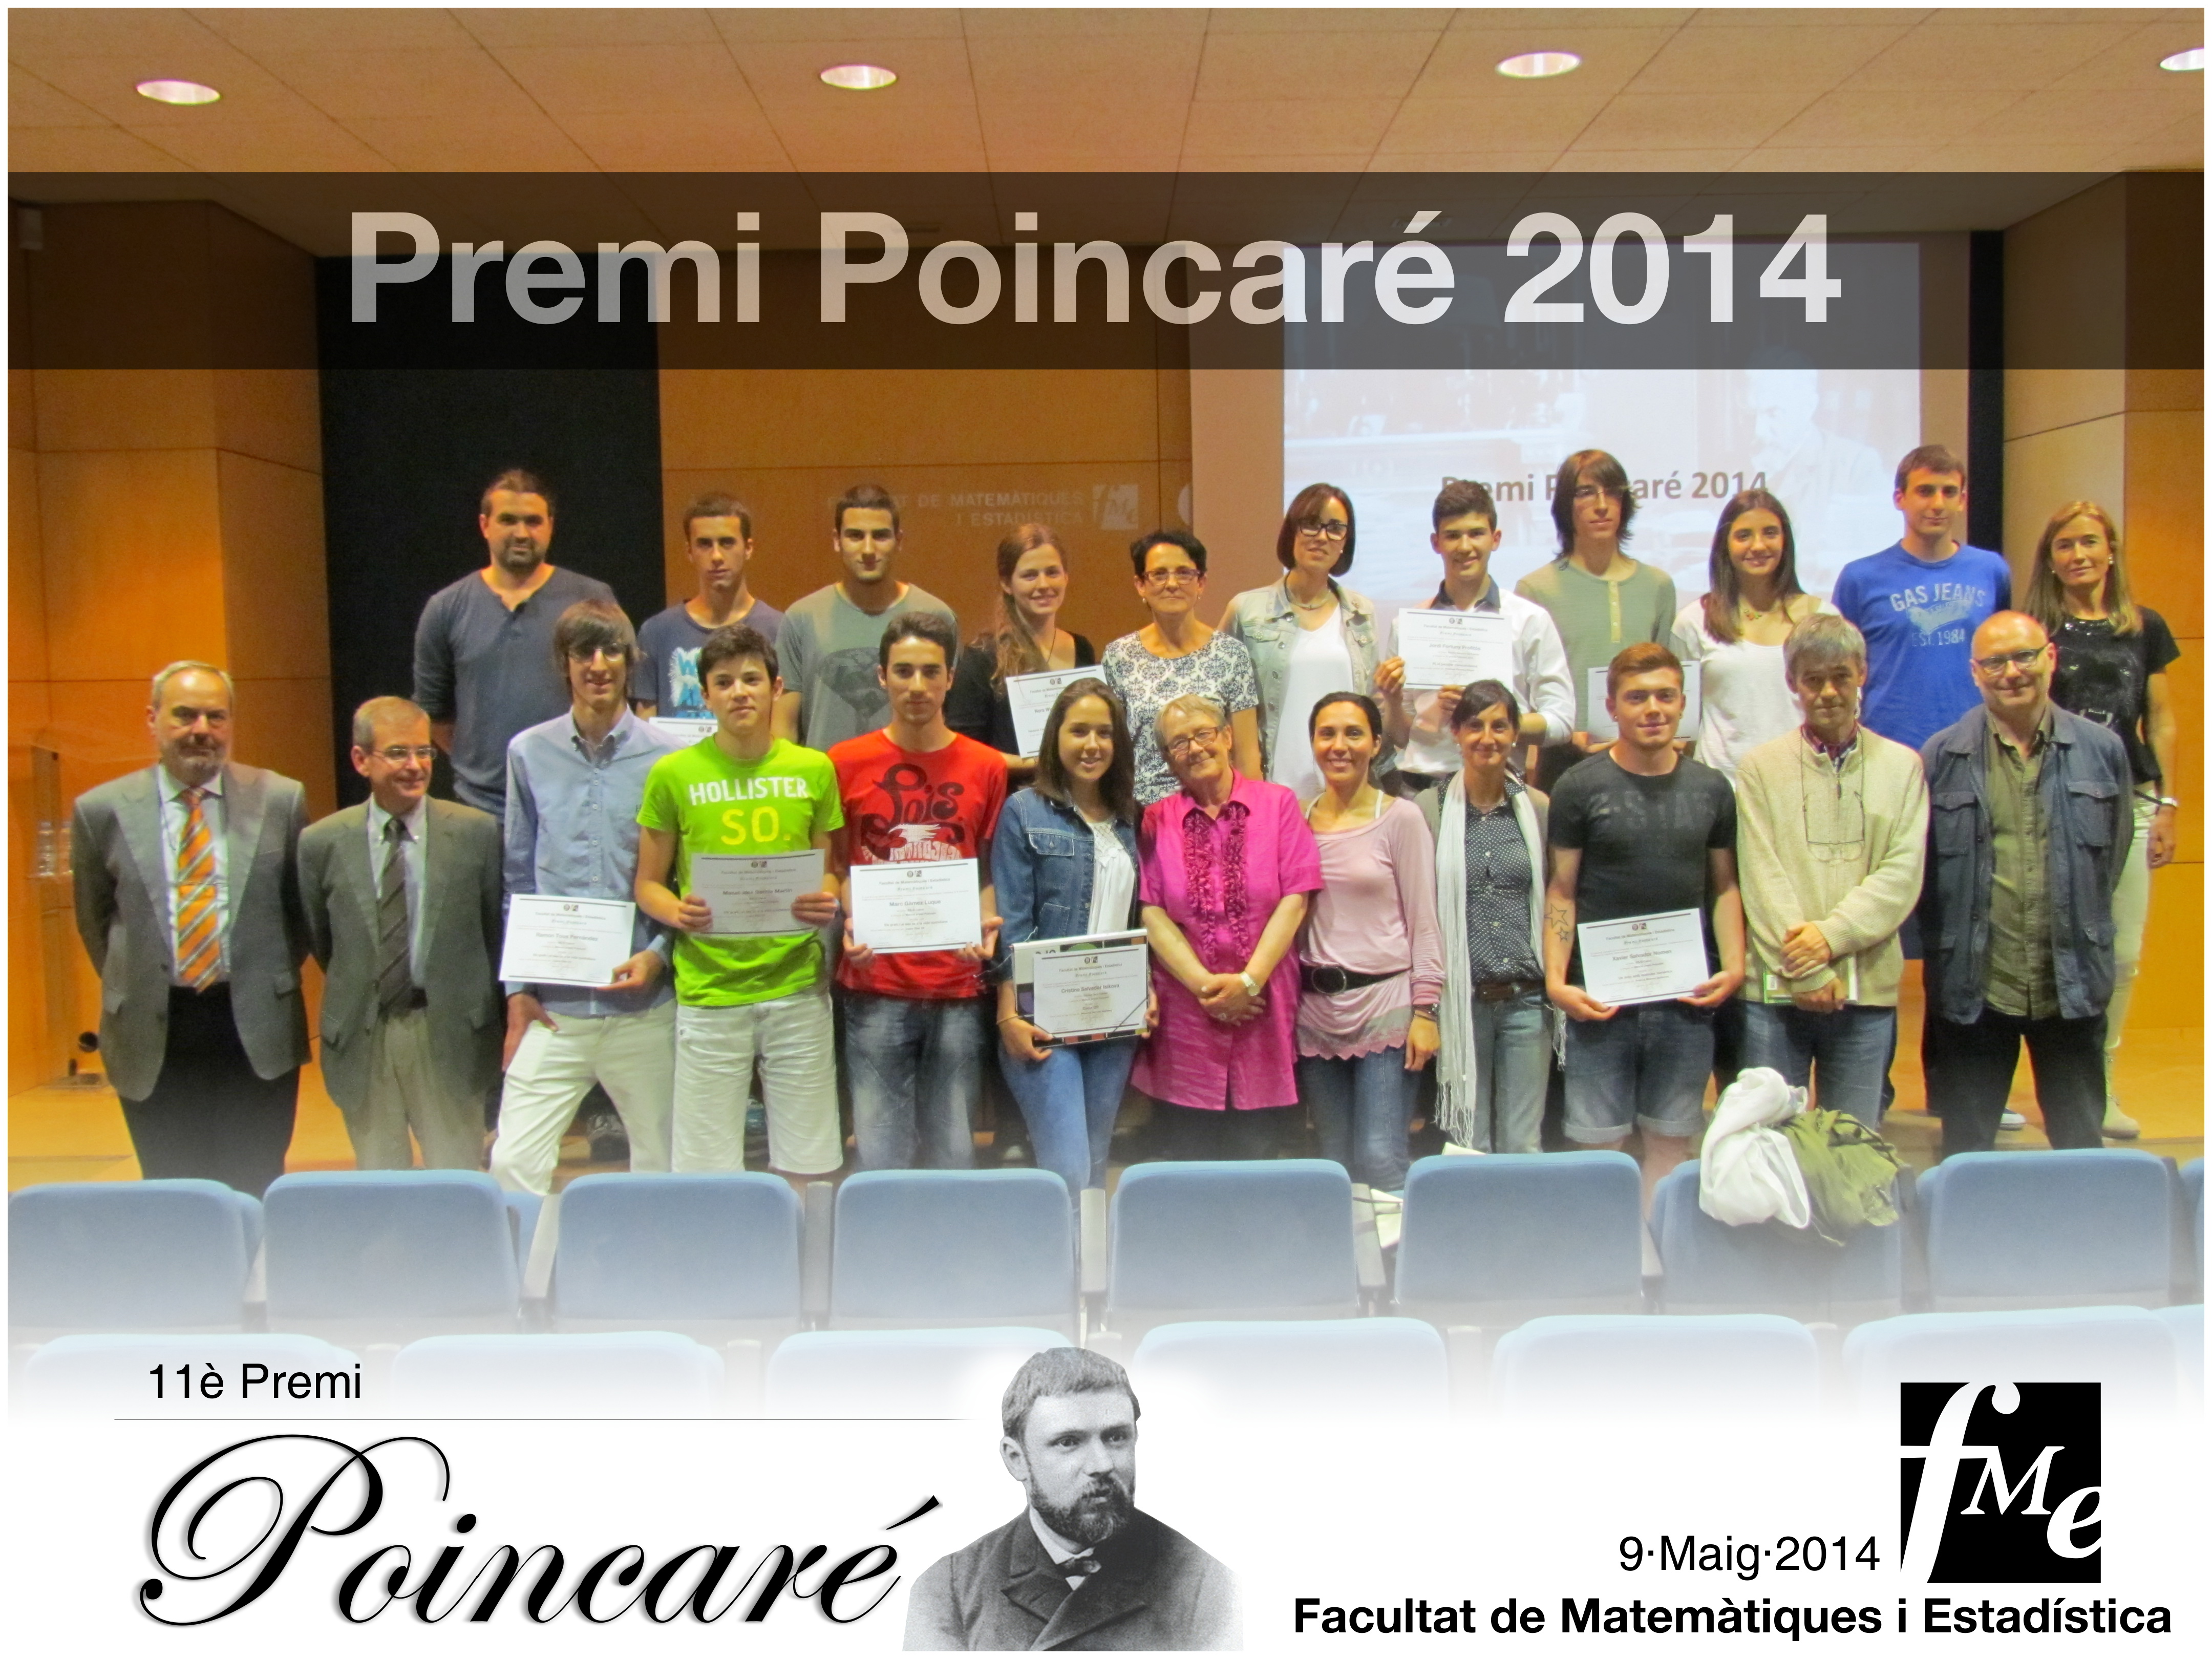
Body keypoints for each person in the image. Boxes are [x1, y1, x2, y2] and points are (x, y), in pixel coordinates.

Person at [69, 661, 311, 1196]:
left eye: (215, 717)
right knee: (172, 1192)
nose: (201, 729)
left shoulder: (281, 799)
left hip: (254, 1023)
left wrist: (260, 973)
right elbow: (95, 920)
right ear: (152, 719)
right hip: (153, 1026)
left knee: (255, 1185)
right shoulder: (100, 810)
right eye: (185, 715)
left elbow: (300, 914)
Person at [635, 624, 846, 1183]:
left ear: (776, 688)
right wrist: (675, 911)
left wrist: (826, 898)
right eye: (724, 683)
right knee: (708, 1175)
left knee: (809, 1165)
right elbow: (648, 885)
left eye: (752, 679)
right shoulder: (673, 774)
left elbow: (830, 871)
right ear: (705, 695)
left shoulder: (813, 768)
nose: (739, 692)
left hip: (797, 988)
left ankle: (803, 1245)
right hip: (710, 992)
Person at [486, 602, 684, 1196]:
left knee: (665, 1168)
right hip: (556, 1008)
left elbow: (685, 880)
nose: (599, 665)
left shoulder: (669, 758)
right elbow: (518, 879)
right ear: (564, 663)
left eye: (612, 651)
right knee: (512, 1164)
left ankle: (648, 1262)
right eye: (583, 653)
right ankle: (537, 1258)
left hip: (644, 1006)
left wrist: (659, 956)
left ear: (630, 661)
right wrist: (518, 991)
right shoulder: (528, 752)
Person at [1919, 612, 2133, 1158]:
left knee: (2081, 1151)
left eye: (2024, 656)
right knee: (1967, 1155)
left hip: (2071, 982)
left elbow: (2110, 859)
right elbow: (1927, 880)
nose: (2011, 672)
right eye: (1995, 662)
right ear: (1975, 673)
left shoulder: (2102, 750)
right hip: (1975, 987)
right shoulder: (1941, 757)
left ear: (2051, 658)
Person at [1544, 645, 1745, 1204]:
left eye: (1664, 696)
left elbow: (1724, 887)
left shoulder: (1712, 789)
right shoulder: (1578, 787)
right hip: (1599, 1001)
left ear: (1683, 703)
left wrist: (1734, 966)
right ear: (1612, 706)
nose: (1653, 709)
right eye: (1637, 698)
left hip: (1686, 1000)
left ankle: (1659, 1244)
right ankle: (1607, 1252)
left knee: (1671, 1141)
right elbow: (1562, 890)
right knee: (1599, 1147)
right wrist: (1557, 982)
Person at [904, 1348, 1238, 1652]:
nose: (1102, 1465)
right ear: (1017, 1460)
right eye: (1068, 1442)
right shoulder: (950, 1590)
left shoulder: (1206, 1585)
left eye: (1116, 1437)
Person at [1732, 615, 1927, 1129]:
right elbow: (1760, 876)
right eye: (1813, 679)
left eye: (1840, 676)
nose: (1828, 692)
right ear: (1792, 682)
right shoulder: (1759, 768)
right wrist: (1809, 970)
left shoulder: (1903, 766)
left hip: (1867, 989)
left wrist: (1830, 938)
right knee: (1771, 1145)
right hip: (1777, 988)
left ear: (1862, 673)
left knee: (1852, 1146)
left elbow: (1901, 875)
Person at [2024, 500, 2180, 1141]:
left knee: (2124, 953)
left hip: (2132, 802)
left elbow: (2161, 720)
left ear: (2111, 551)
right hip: (2055, 803)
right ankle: (2063, 1084)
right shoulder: (2035, 630)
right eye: (2065, 545)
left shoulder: (2145, 627)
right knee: (2061, 946)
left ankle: (2104, 1080)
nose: (2079, 555)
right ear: (2050, 559)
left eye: (2090, 542)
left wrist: (2168, 802)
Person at [831, 611, 1007, 1171]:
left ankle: (950, 1233)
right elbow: (838, 867)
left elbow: (986, 871)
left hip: (957, 980)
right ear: (882, 676)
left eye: (931, 672)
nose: (917, 686)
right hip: (875, 980)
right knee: (880, 1155)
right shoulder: (843, 763)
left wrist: (985, 927)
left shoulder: (986, 766)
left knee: (954, 1151)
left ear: (951, 678)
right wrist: (852, 922)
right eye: (903, 671)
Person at [299, 697, 504, 1170]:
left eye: (424, 752)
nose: (415, 765)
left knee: (457, 1185)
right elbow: (322, 939)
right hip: (365, 1034)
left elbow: (493, 931)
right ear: (360, 760)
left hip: (449, 1031)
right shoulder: (322, 843)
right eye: (398, 753)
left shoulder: (476, 834)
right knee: (381, 1189)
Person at [1135, 695, 1321, 1158]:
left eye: (1203, 734)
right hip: (1187, 1018)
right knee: (1190, 1156)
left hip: (1263, 1010)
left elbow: (1296, 899)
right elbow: (1151, 912)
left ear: (1227, 736)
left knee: (1259, 1154)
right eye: (1179, 743)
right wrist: (1207, 989)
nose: (1195, 748)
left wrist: (1249, 983)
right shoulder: (1156, 819)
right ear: (1167, 759)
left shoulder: (1278, 804)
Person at [991, 679, 1145, 1199]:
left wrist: (1149, 989)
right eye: (1079, 731)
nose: (1092, 744)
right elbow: (1012, 922)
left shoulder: (1133, 819)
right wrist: (1009, 1014)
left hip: (1114, 1015)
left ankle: (1088, 1254)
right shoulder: (1024, 811)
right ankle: (1054, 1254)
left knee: (1097, 1163)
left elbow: (1141, 918)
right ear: (1055, 737)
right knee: (1068, 1168)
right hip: (1041, 1015)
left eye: (1105, 732)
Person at [1294, 694, 1442, 1193]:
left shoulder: (1402, 818)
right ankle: (1349, 1247)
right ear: (1313, 743)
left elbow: (1424, 920)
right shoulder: (1296, 821)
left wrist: (1426, 1012)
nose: (1340, 745)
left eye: (1354, 733)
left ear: (1376, 744)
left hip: (1386, 1007)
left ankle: (1404, 1245)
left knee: (1380, 1158)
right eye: (1327, 733)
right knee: (1334, 1164)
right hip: (1315, 1014)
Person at [413, 468, 615, 821]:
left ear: (550, 526)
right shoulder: (445, 608)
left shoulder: (591, 598)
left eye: (533, 521)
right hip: (479, 808)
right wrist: (482, 768)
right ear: (485, 525)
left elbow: (616, 699)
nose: (521, 533)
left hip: (574, 801)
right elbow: (434, 714)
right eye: (508, 520)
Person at [1417, 682, 1553, 1157]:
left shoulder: (1538, 809)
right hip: (1462, 1001)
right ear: (1456, 733)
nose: (1487, 738)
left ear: (1515, 734)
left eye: (1500, 726)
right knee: (1468, 1142)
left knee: (1523, 1143)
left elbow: (1557, 897)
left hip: (1528, 1002)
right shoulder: (1428, 810)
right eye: (1475, 726)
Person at [1376, 479, 1573, 794]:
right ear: (1436, 542)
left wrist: (1493, 719)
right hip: (1422, 792)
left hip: (1499, 791)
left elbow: (1561, 723)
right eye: (1453, 536)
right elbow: (1402, 737)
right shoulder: (1409, 626)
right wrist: (1393, 700)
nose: (1465, 547)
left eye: (1476, 533)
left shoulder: (1529, 620)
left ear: (1495, 539)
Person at [1830, 444, 2012, 758]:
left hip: (1976, 748)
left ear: (1963, 500)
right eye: (1925, 491)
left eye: (1949, 492)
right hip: (1886, 752)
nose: (1937, 504)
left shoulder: (1991, 570)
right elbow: (1839, 670)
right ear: (1899, 498)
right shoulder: (1860, 579)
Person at [1515, 450, 1678, 793]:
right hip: (1565, 763)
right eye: (1586, 493)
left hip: (1645, 762)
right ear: (1566, 505)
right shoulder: (1536, 589)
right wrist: (1564, 734)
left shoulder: (1657, 586)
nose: (1601, 505)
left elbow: (1669, 680)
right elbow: (1526, 696)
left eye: (1612, 492)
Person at [1220, 484, 1386, 802]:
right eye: (1310, 524)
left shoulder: (1362, 613)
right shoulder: (1247, 610)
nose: (1322, 537)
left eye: (1335, 528)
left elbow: (1373, 706)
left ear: (1346, 541)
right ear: (1291, 531)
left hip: (1345, 794)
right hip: (1272, 789)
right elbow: (1220, 704)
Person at [776, 483, 958, 752]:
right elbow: (784, 728)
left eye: (881, 536)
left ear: (899, 541)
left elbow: (950, 721)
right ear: (837, 540)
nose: (869, 549)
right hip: (826, 777)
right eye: (856, 536)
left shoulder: (936, 615)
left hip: (911, 776)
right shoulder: (802, 618)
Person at [1670, 489, 1835, 781]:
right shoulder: (1693, 622)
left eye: (1770, 533)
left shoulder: (1823, 618)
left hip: (1804, 783)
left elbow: (1842, 710)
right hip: (1723, 788)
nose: (1758, 546)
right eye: (1744, 535)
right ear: (1725, 545)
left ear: (1785, 540)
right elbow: (1681, 728)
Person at [1102, 530, 1262, 807]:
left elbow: (1247, 758)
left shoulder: (1230, 654)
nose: (1172, 584)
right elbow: (1114, 752)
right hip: (1143, 813)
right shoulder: (1119, 656)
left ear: (1201, 583)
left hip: (1216, 810)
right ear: (1140, 585)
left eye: (1184, 573)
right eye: (1159, 574)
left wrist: (1251, 816)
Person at [948, 523, 1097, 780]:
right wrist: (1036, 763)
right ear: (1007, 583)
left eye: (1052, 572)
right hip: (1013, 798)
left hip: (1076, 795)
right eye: (1030, 575)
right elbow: (964, 751)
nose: (1044, 584)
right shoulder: (982, 657)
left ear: (1066, 577)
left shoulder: (1082, 649)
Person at [633, 492, 784, 720]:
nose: (716, 556)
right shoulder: (657, 632)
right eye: (705, 544)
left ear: (748, 548)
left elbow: (784, 721)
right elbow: (646, 723)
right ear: (689, 551)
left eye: (727, 543)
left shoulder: (780, 629)